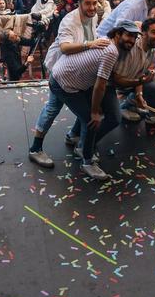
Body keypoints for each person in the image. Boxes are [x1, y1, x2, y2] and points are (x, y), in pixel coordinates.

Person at [40, 19, 141, 181]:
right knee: (90, 120)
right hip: (63, 83)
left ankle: (74, 138)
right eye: (129, 35)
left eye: (135, 37)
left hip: (69, 78)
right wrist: (94, 112)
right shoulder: (111, 51)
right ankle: (87, 162)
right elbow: (100, 85)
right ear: (117, 34)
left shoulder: (107, 43)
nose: (132, 40)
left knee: (88, 115)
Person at [29, 0, 107, 167]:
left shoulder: (94, 16)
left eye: (94, 3)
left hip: (77, 71)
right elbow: (65, 47)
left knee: (80, 107)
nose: (92, 7)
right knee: (54, 108)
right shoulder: (69, 21)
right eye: (88, 3)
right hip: (61, 71)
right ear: (79, 4)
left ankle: (74, 137)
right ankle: (35, 149)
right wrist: (90, 44)